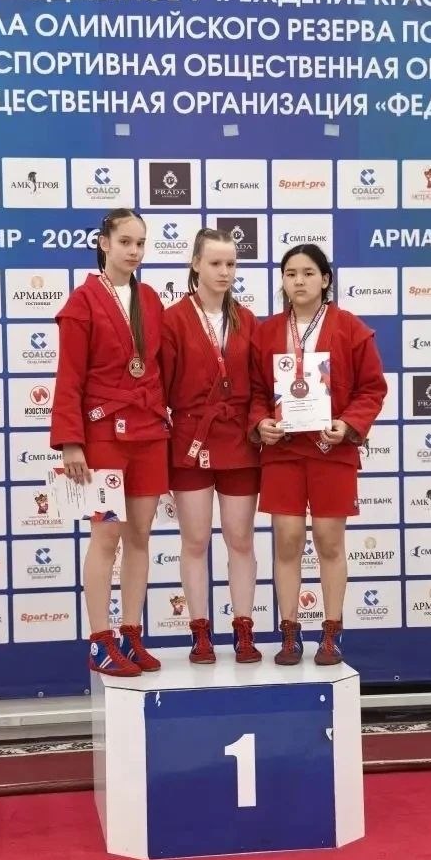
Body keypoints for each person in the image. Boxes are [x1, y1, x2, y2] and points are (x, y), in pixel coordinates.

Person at [249, 243, 387, 667]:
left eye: (308, 273)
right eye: (291, 274)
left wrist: (348, 424)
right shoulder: (266, 332)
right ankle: (290, 633)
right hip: (284, 451)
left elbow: (372, 389)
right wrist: (260, 422)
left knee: (329, 540)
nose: (299, 281)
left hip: (332, 449)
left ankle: (331, 632)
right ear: (283, 281)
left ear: (325, 279)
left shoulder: (350, 328)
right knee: (287, 540)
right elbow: (255, 393)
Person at [50, 208, 170, 677]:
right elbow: (69, 377)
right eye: (125, 242)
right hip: (103, 434)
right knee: (106, 537)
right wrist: (70, 442)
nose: (134, 251)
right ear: (104, 243)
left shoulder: (151, 299)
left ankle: (131, 635)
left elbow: (159, 368)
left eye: (140, 243)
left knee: (140, 535)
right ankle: (100, 641)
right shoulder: (82, 302)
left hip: (148, 432)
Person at [161, 228, 262, 665]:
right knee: (196, 539)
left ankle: (243, 629)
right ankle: (200, 632)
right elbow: (161, 386)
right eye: (216, 263)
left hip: (239, 439)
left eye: (231, 264)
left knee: (240, 539)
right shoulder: (172, 319)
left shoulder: (248, 320)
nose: (224, 272)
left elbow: (260, 383)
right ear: (196, 264)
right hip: (191, 439)